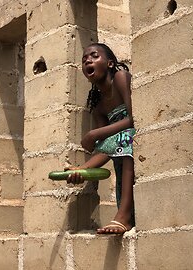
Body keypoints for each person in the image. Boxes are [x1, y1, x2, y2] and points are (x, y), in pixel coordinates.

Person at [65, 43, 136, 234]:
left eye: (94, 56)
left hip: (134, 142)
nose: (88, 60)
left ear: (110, 63)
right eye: (84, 60)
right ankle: (124, 215)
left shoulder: (121, 78)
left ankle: (123, 216)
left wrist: (94, 134)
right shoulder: (97, 103)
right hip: (121, 150)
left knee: (124, 139)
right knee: (118, 145)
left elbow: (133, 119)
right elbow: (104, 146)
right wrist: (85, 169)